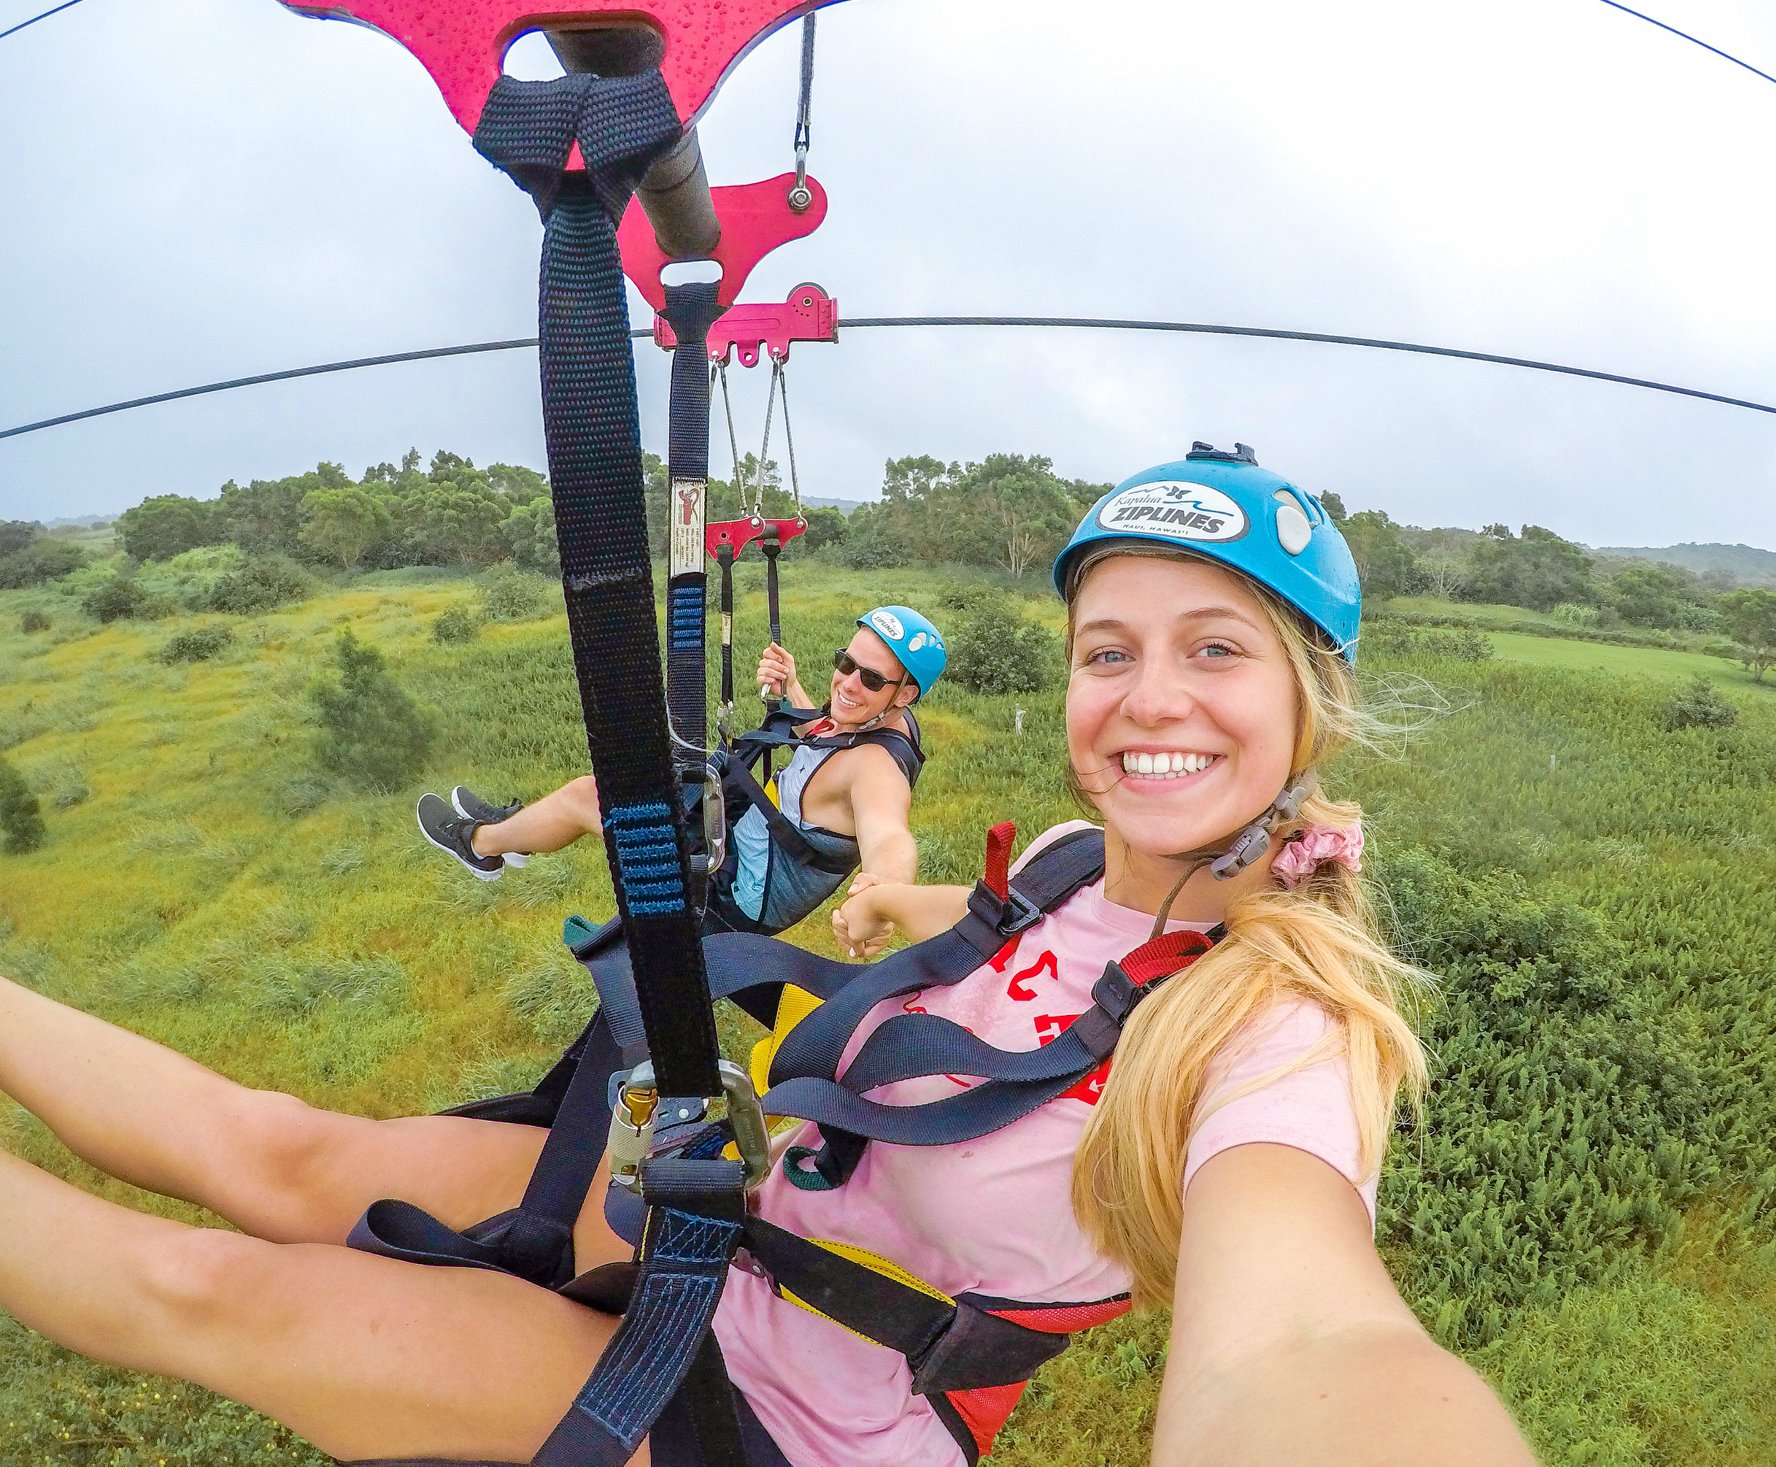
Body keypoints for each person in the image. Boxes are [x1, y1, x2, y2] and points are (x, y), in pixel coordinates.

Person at [0, 445, 1536, 1467]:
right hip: (729, 1220)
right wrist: (905, 911)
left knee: (201, 1285)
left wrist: (857, 868)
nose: (1150, 697)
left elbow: (1308, 1337)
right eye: (1107, 649)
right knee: (271, 1150)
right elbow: (1020, 938)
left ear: (1305, 698)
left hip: (788, 1412)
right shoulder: (1081, 865)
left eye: (1215, 649)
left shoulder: (1276, 1026)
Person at [416, 606, 944, 937]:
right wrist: (794, 691)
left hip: (731, 892)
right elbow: (829, 744)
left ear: (905, 695)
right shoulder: (884, 724)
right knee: (642, 777)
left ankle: (480, 844)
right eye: (846, 664)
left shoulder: (876, 770)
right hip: (744, 840)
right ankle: (515, 831)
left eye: (870, 679)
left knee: (590, 797)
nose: (848, 685)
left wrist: (884, 892)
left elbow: (889, 833)